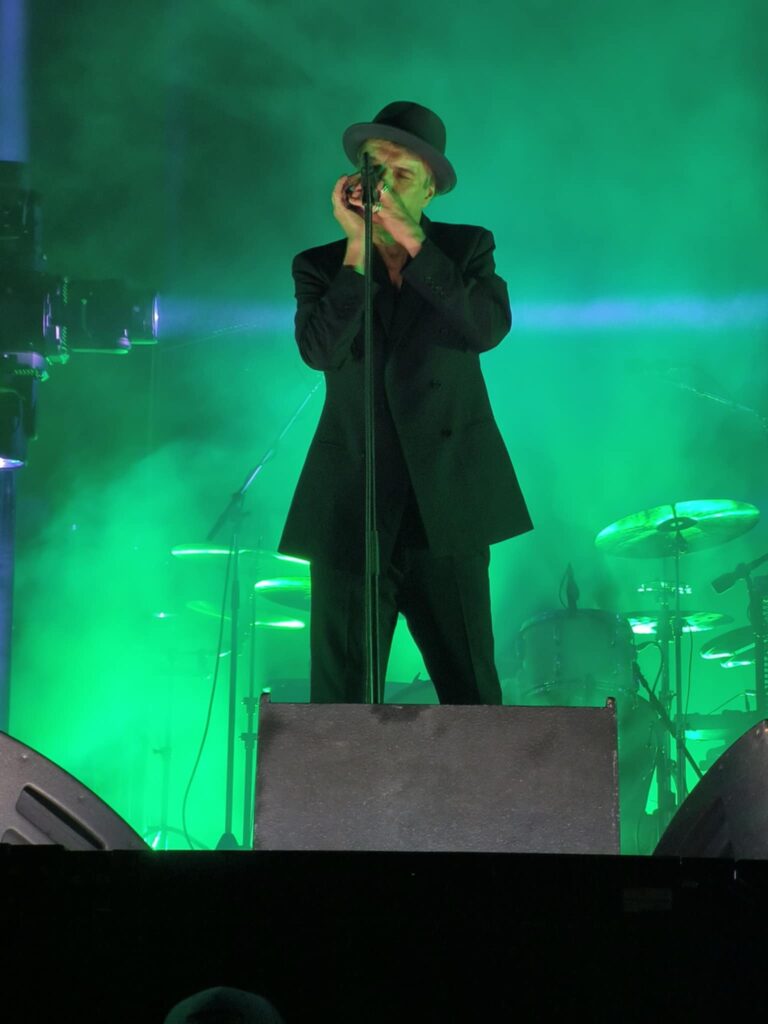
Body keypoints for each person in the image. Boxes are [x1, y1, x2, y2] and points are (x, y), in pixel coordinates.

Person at [279, 101, 532, 704]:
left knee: (470, 692)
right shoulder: (321, 264)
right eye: (373, 169)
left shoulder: (467, 249)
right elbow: (319, 351)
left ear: (432, 190)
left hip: (447, 504)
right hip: (353, 506)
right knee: (340, 705)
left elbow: (486, 328)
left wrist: (411, 240)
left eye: (402, 174)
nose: (383, 185)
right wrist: (357, 251)